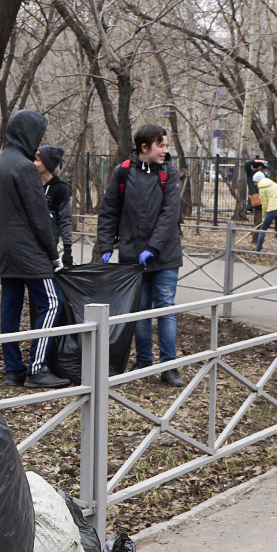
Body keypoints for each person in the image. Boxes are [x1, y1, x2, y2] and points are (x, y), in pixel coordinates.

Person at [94, 123, 184, 382]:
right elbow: (109, 210)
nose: (165, 151)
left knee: (165, 308)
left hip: (165, 254)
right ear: (144, 147)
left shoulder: (169, 173)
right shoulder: (122, 172)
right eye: (161, 145)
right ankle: (144, 361)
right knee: (140, 309)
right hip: (133, 255)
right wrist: (105, 245)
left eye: (166, 145)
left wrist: (153, 247)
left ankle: (169, 366)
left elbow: (169, 215)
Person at [0, 108, 67, 389]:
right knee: (52, 302)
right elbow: (39, 217)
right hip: (28, 251)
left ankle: (14, 370)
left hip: (4, 251)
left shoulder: (0, 164)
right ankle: (37, 368)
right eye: (38, 134)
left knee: (10, 309)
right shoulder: (25, 167)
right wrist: (53, 255)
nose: (39, 140)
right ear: (28, 133)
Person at [36, 145, 73, 268]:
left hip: (48, 250)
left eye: (37, 160)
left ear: (47, 164)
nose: (33, 163)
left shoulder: (60, 188)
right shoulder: (31, 185)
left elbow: (65, 220)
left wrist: (67, 250)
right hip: (28, 247)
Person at [252, 170, 277, 254]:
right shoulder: (272, 183)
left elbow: (264, 204)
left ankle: (257, 252)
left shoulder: (262, 188)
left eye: (255, 182)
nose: (255, 184)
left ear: (258, 181)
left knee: (262, 230)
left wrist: (263, 217)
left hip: (272, 210)